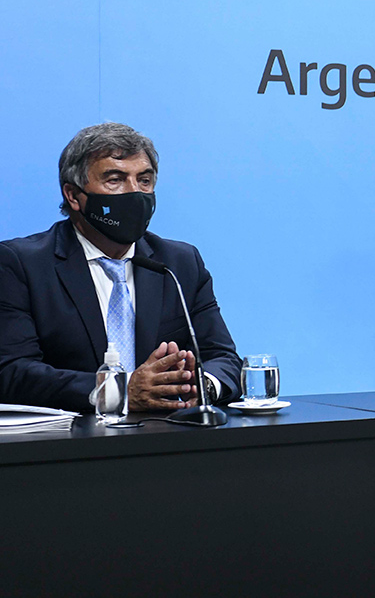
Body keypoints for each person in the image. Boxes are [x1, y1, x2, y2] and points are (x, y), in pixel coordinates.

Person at [0, 123, 242, 412]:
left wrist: (201, 387)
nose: (135, 193)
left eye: (144, 180)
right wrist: (117, 391)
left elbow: (224, 358)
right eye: (115, 180)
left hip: (166, 432)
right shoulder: (21, 264)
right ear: (74, 196)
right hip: (73, 434)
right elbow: (12, 371)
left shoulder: (179, 263)